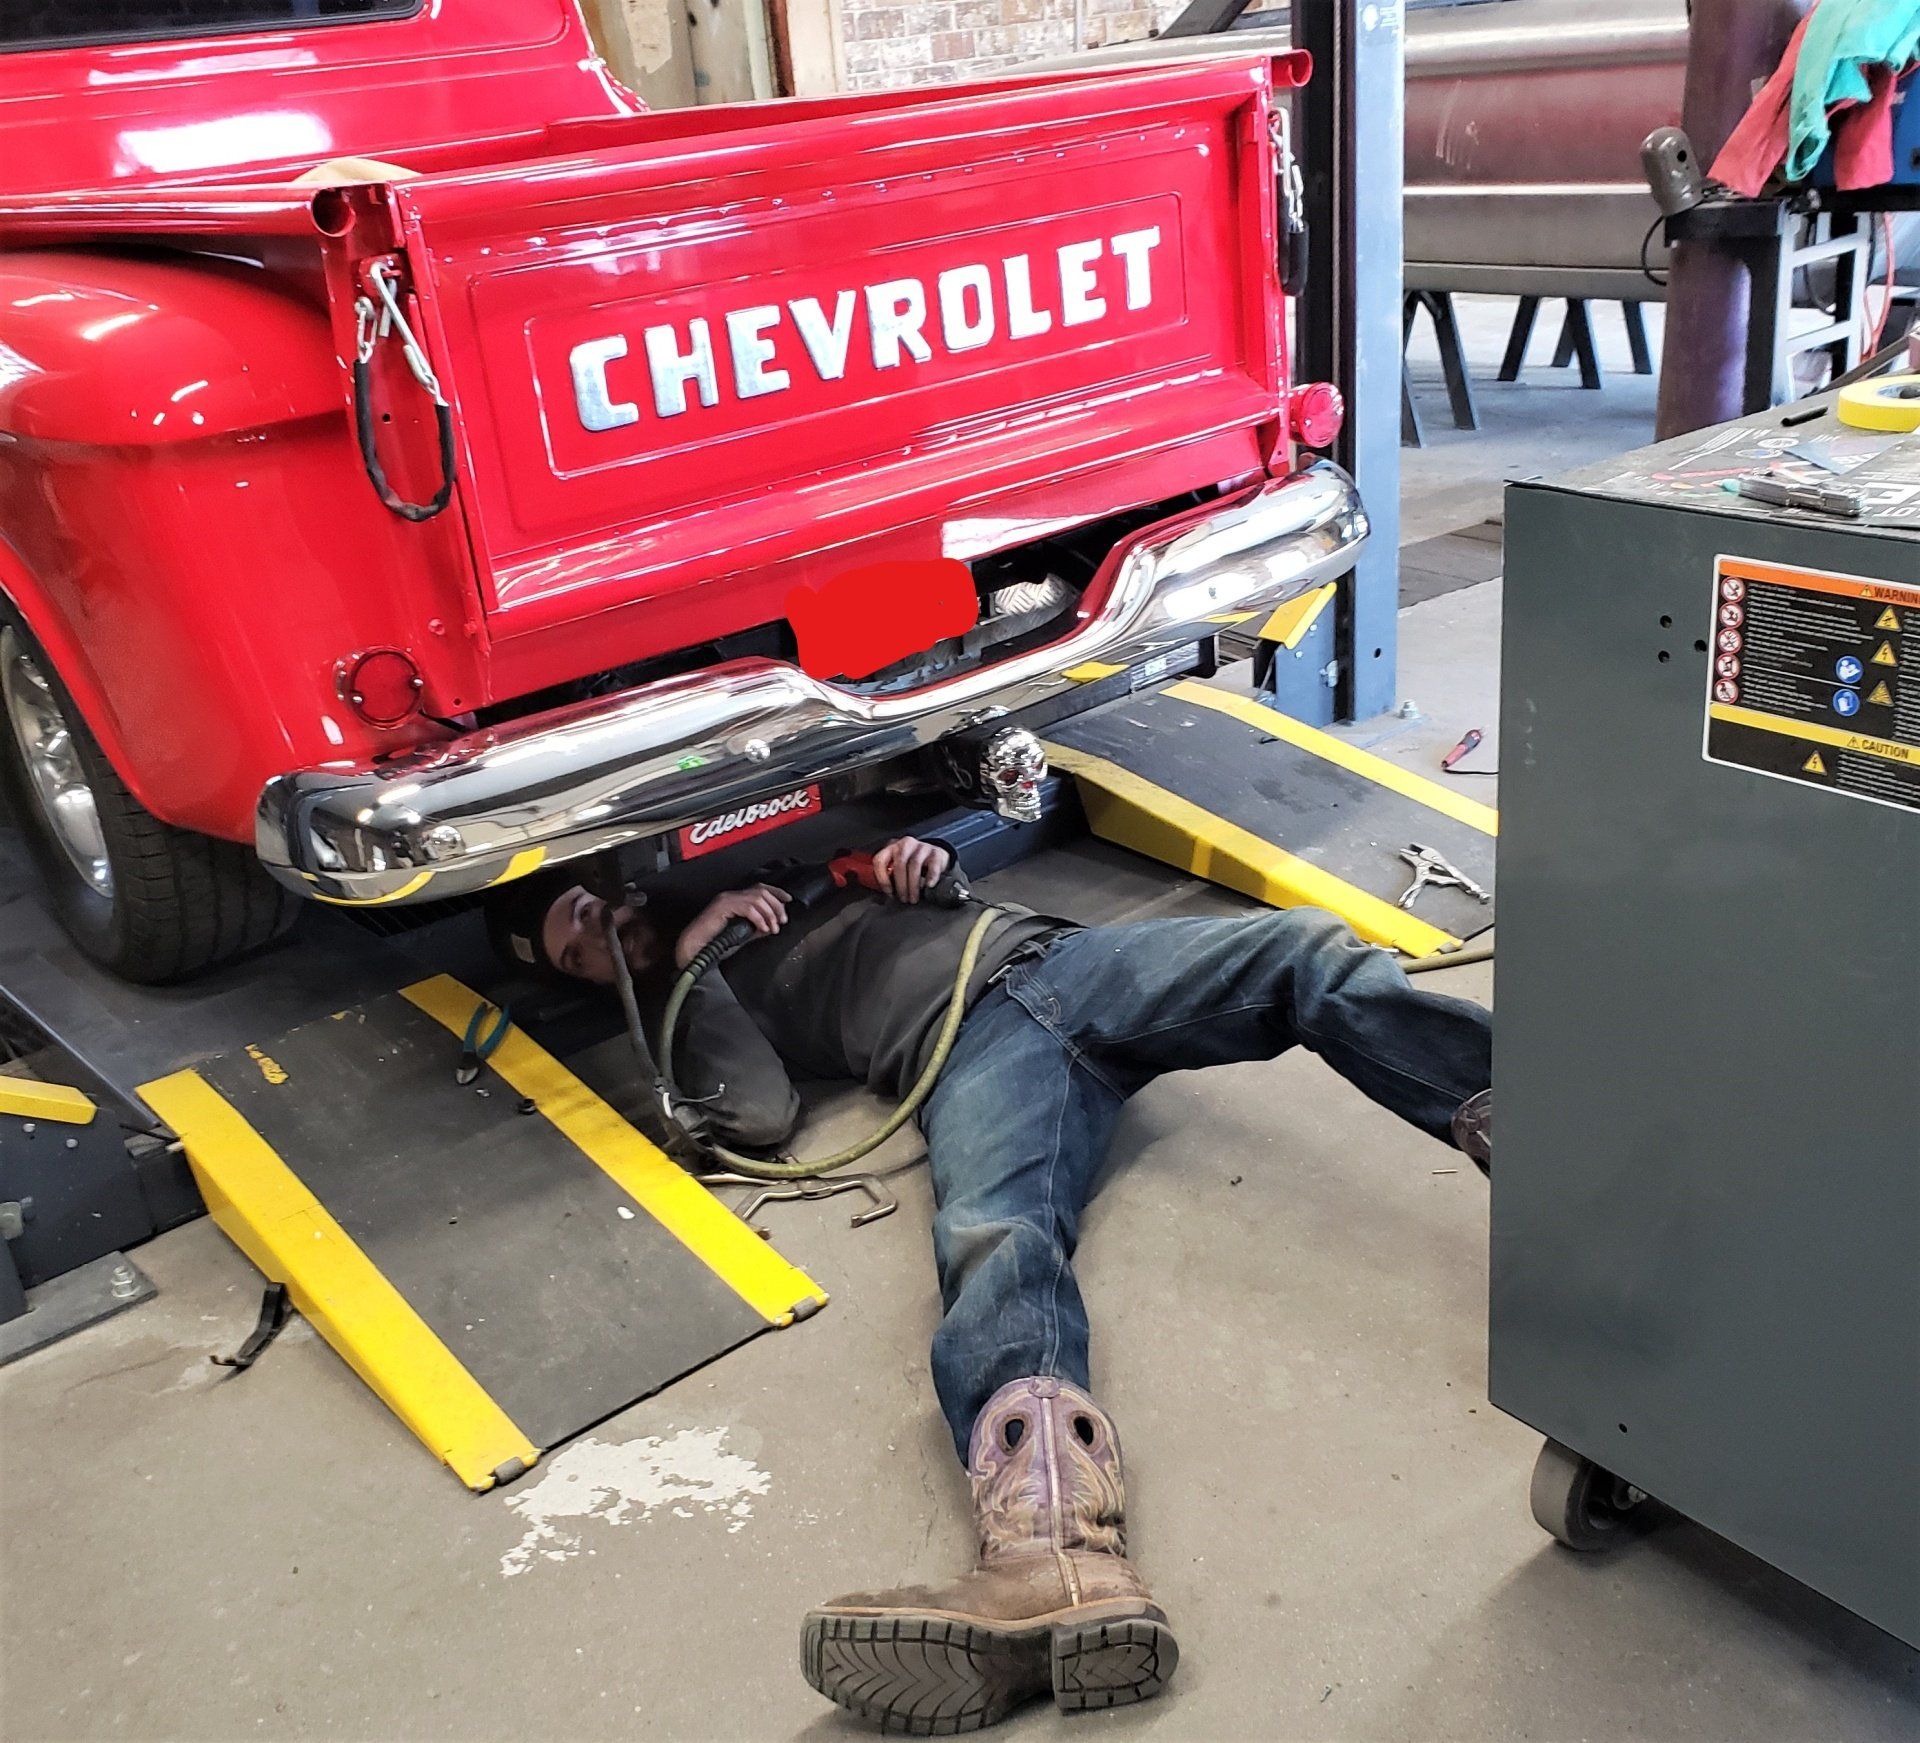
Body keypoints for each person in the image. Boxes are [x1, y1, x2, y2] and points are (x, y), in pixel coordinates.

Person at [488, 836, 1493, 1733]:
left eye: (585, 914)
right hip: (972, 1053)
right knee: (996, 1239)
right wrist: (698, 960)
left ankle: (1548, 1136)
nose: (601, 939)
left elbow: (916, 879)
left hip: (1064, 963)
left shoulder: (779, 872)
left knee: (1302, 953)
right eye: (578, 955)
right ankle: (1055, 1558)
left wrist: (925, 869)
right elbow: (755, 1116)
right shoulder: (687, 1012)